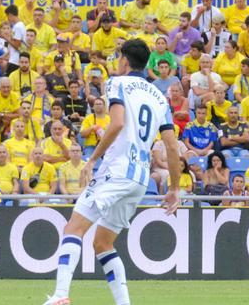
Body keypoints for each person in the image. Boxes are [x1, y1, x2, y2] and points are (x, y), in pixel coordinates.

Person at [43, 39, 181, 305]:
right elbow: (172, 146)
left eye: (119, 59)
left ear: (125, 61)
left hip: (117, 170)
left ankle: (60, 296)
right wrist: (175, 188)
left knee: (73, 229)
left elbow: (116, 123)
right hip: (139, 178)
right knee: (103, 243)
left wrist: (92, 159)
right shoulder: (159, 98)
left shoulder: (117, 82)